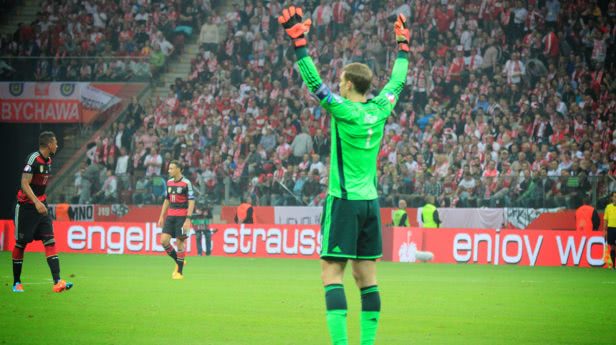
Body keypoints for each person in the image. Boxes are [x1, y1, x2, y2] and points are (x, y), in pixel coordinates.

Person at [278, 7, 409, 345]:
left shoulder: (343, 109)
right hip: (370, 204)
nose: (338, 84)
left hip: (344, 200)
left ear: (349, 85)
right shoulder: (380, 109)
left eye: (341, 82)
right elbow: (397, 82)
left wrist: (300, 46)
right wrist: (403, 49)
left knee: (331, 273)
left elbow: (313, 84)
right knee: (367, 277)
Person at [12, 131, 73, 293]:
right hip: (26, 207)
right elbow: (24, 183)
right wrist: (36, 202)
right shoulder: (33, 159)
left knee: (50, 241)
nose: (57, 145)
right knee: (21, 244)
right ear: (48, 145)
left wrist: (41, 202)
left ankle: (57, 281)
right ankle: (16, 282)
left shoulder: (49, 161)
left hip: (41, 206)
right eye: (56, 143)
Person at [157, 160, 195, 280]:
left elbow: (192, 201)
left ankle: (179, 272)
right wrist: (161, 216)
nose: (169, 171)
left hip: (182, 217)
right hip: (170, 216)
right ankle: (180, 261)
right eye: (169, 168)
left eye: (171, 168)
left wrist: (188, 219)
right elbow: (167, 200)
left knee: (180, 242)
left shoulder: (186, 183)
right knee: (164, 241)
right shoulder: (169, 182)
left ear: (178, 169)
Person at [603, 192, 616, 270]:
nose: (615, 198)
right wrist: (604, 231)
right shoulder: (608, 207)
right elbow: (605, 220)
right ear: (612, 198)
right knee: (612, 247)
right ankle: (613, 265)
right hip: (611, 228)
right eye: (614, 196)